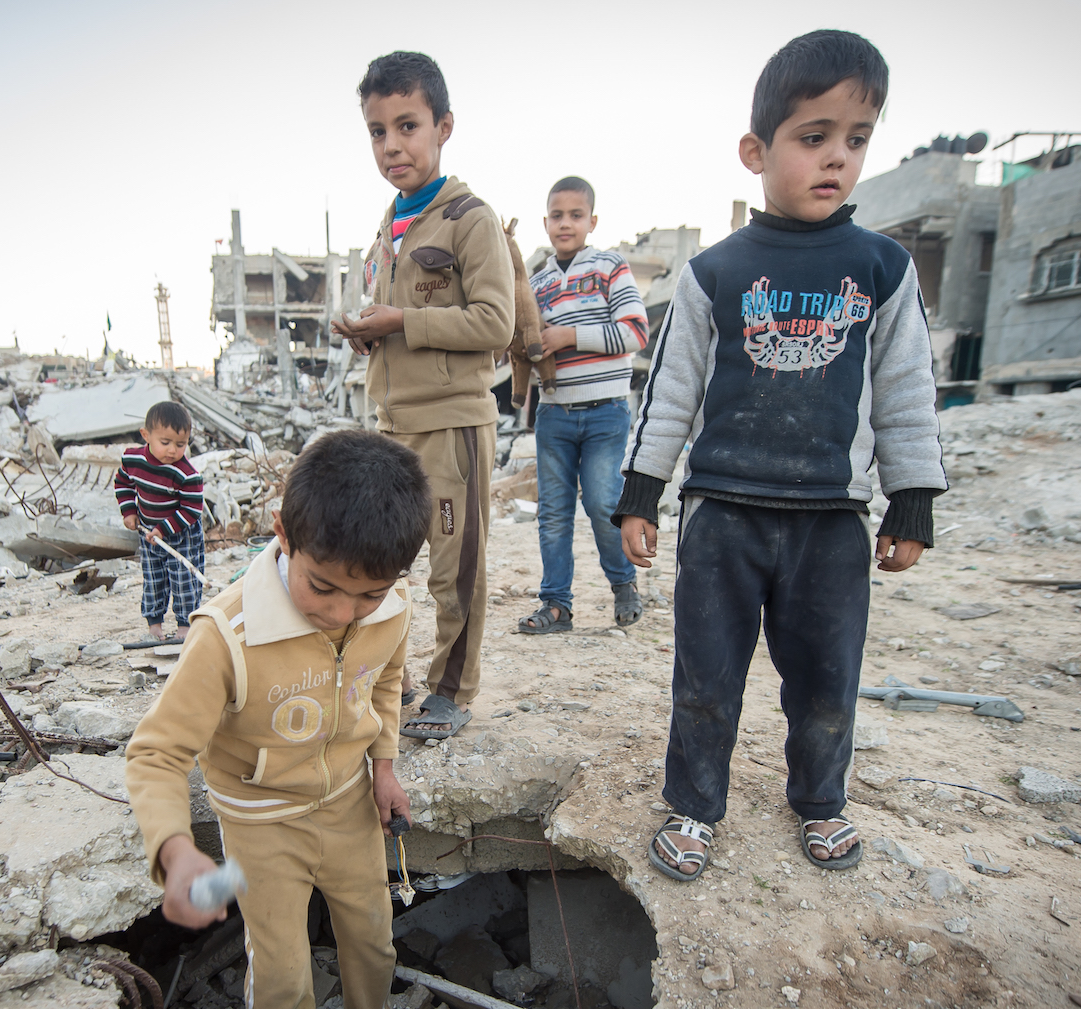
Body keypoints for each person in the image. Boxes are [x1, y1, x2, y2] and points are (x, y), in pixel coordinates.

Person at [614, 30, 946, 880]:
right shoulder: (713, 272)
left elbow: (907, 389)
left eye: (856, 138)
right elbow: (672, 391)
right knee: (706, 675)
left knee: (828, 682)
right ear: (756, 151)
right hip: (722, 511)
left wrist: (911, 499)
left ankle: (821, 802)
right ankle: (693, 807)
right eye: (813, 137)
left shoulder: (883, 267)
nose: (836, 157)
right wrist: (642, 494)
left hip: (832, 521)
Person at [125, 429, 438, 1009]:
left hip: (350, 807)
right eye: (323, 587)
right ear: (283, 532)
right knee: (283, 979)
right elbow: (155, 754)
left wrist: (384, 768)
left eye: (368, 594)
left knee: (374, 940)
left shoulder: (392, 609)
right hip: (260, 826)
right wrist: (175, 851)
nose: (343, 612)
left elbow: (384, 682)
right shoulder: (226, 635)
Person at [332, 51, 515, 741]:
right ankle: (394, 680)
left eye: (407, 126)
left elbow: (495, 325)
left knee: (453, 567)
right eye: (377, 131)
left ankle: (451, 690)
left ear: (442, 127)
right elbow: (393, 319)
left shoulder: (470, 218)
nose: (392, 146)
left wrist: (402, 322)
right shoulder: (390, 224)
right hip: (393, 422)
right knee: (384, 562)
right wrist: (367, 333)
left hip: (453, 426)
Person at [517, 176, 650, 635]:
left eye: (576, 215)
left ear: (592, 221)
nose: (565, 223)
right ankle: (556, 605)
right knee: (552, 512)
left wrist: (571, 336)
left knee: (601, 503)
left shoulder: (610, 267)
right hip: (554, 413)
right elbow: (524, 339)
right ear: (545, 222)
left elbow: (635, 333)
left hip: (605, 412)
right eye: (557, 215)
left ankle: (623, 583)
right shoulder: (536, 282)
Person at [113, 400, 206, 642]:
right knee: (153, 577)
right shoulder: (133, 460)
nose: (173, 451)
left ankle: (185, 625)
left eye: (180, 444)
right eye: (165, 443)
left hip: (181, 533)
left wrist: (163, 529)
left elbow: (192, 510)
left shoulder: (187, 475)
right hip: (148, 531)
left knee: (183, 578)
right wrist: (129, 512)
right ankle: (154, 624)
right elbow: (123, 483)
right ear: (146, 435)